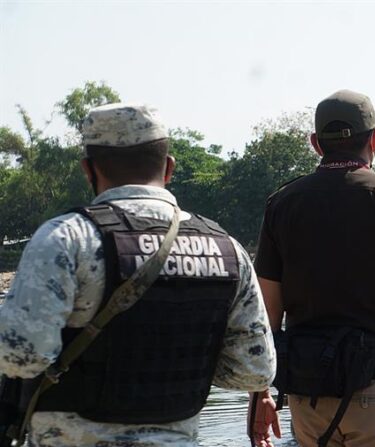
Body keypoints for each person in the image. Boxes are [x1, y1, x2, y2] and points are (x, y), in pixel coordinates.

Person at [0, 103, 276, 446]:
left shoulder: (66, 238)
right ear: (169, 168)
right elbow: (255, 371)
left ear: (88, 169)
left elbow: (21, 356)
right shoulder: (227, 250)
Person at [253, 90, 375, 447]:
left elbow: (265, 312)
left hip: (307, 393)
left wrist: (260, 392)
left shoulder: (280, 204)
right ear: (374, 138)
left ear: (316, 143)